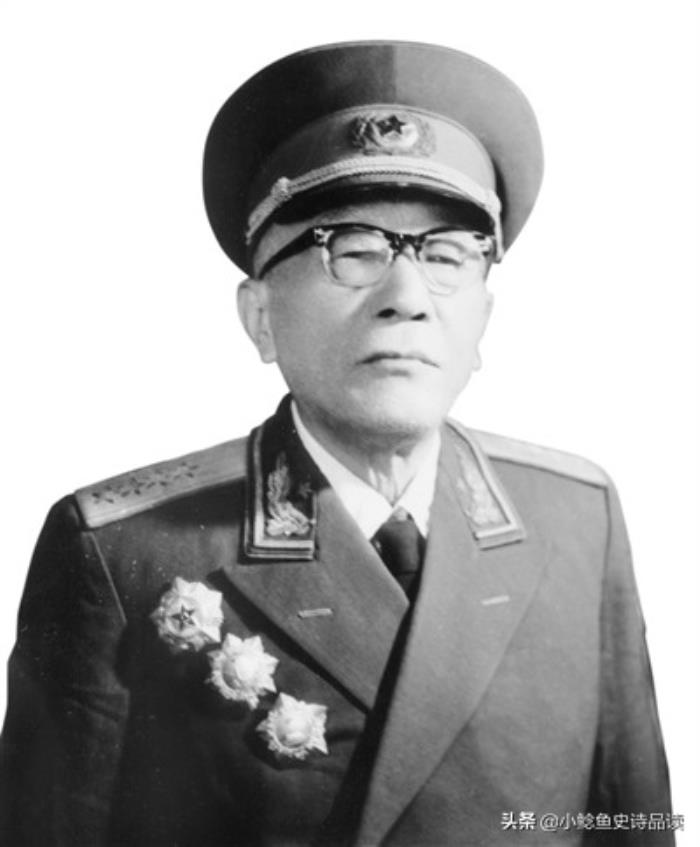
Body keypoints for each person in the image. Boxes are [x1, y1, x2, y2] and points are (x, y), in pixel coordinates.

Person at [0, 41, 673, 846]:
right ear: (259, 316)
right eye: (352, 250)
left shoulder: (576, 518)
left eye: (448, 255)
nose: (408, 298)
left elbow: (633, 819)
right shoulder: (124, 552)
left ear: (483, 317)